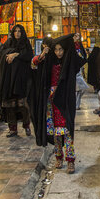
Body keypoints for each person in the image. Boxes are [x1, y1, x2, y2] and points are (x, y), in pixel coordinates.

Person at [31, 35, 86, 173]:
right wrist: (43, 53)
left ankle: (70, 161)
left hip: (65, 100)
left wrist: (77, 43)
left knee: (67, 131)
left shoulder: (69, 62)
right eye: (56, 50)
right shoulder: (49, 62)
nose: (58, 52)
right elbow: (33, 63)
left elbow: (81, 59)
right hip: (51, 102)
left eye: (61, 49)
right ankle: (58, 157)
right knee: (56, 132)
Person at [0, 25, 34, 138]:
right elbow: (1, 54)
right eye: (15, 31)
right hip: (9, 78)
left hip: (21, 79)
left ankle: (26, 126)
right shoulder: (8, 43)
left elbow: (29, 56)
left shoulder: (25, 43)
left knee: (23, 105)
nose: (17, 33)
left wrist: (16, 54)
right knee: (10, 105)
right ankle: (12, 129)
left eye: (19, 31)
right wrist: (11, 54)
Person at [73, 33, 89, 110]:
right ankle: (75, 105)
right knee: (76, 89)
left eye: (78, 36)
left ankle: (76, 104)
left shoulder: (79, 45)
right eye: (76, 36)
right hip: (73, 70)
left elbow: (83, 55)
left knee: (81, 89)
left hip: (79, 69)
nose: (77, 37)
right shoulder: (70, 46)